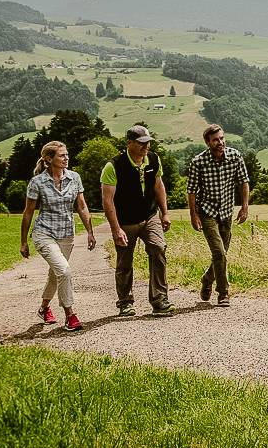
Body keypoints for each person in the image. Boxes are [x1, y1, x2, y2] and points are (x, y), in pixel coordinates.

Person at [19, 140, 95, 332]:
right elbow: (28, 212)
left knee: (56, 275)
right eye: (62, 155)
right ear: (48, 159)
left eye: (67, 154)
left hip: (67, 235)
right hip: (44, 233)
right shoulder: (37, 183)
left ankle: (44, 308)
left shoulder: (74, 178)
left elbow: (82, 206)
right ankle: (70, 315)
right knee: (64, 271)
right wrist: (23, 241)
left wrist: (90, 231)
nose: (66, 158)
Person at [101, 125, 175, 317]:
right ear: (129, 143)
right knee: (125, 261)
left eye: (148, 142)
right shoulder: (113, 166)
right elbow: (107, 201)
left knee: (158, 248)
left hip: (150, 215)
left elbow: (159, 186)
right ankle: (125, 302)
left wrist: (164, 213)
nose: (146, 146)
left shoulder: (154, 160)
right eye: (141, 143)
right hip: (126, 221)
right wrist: (116, 229)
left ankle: (159, 300)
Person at [187, 124, 250, 307]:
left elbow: (244, 182)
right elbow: (191, 191)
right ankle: (223, 293)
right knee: (219, 252)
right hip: (207, 212)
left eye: (222, 138)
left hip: (227, 211)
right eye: (216, 140)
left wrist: (244, 207)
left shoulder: (235, 156)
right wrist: (193, 216)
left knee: (222, 254)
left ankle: (207, 279)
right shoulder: (198, 162)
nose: (220, 142)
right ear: (208, 142)